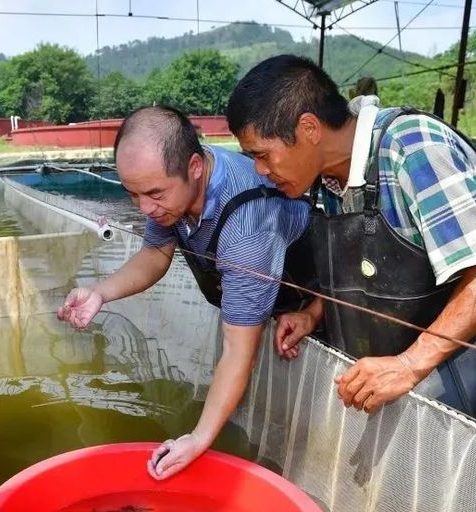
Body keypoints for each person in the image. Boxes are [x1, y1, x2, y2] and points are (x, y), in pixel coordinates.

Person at [226, 55, 476, 430]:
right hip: (395, 380)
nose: (259, 170)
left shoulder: (412, 147)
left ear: (308, 128)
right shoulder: (330, 177)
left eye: (261, 154)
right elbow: (371, 267)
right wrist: (313, 314)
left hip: (460, 389)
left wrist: (409, 364)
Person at [57, 105, 312, 480]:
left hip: (312, 303)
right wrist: (100, 292)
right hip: (259, 303)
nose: (145, 208)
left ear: (194, 166)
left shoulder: (246, 227)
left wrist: (198, 438)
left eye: (155, 193)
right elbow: (156, 254)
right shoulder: (172, 195)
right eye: (133, 194)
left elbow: (240, 352)